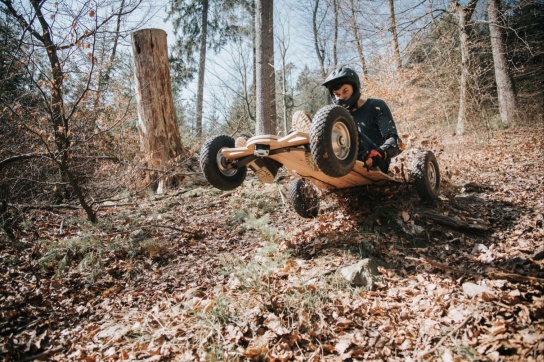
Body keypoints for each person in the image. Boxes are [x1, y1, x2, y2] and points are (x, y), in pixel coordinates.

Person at [322, 67, 403, 173]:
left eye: (345, 91)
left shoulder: (376, 106)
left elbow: (395, 142)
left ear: (354, 88)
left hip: (376, 160)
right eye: (337, 94)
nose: (341, 97)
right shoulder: (338, 117)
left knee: (350, 130)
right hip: (344, 160)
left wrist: (381, 152)